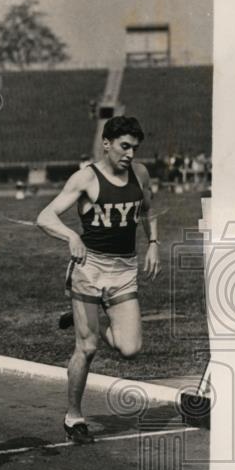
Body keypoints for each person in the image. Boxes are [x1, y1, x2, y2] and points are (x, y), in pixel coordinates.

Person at [36, 116, 160, 444]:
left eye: (135, 147)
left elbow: (147, 208)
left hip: (123, 272)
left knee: (130, 348)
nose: (130, 154)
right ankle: (74, 416)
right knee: (87, 348)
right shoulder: (85, 178)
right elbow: (44, 217)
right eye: (124, 146)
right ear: (106, 144)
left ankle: (81, 319)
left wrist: (154, 244)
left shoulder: (141, 174)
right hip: (89, 270)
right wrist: (70, 237)